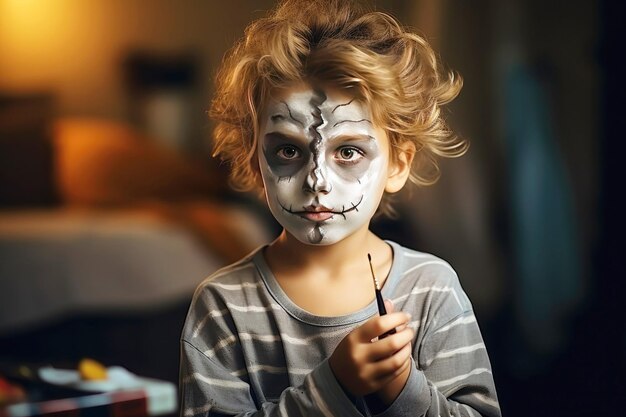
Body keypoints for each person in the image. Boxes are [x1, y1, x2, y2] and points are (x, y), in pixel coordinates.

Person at [179, 0, 501, 416]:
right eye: (289, 150)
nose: (317, 180)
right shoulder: (221, 307)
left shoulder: (431, 291)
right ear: (253, 162)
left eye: (348, 151)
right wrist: (334, 387)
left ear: (397, 164)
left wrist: (403, 388)